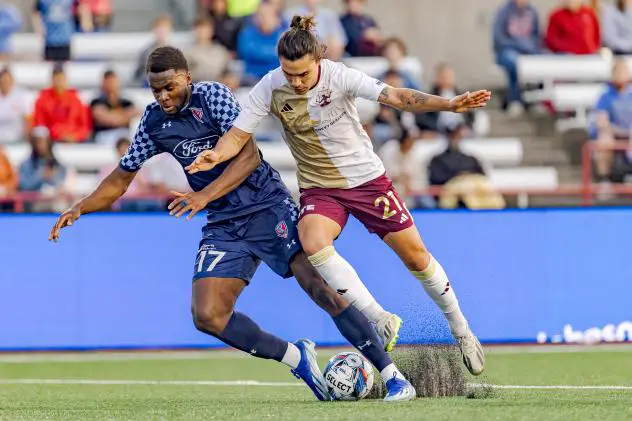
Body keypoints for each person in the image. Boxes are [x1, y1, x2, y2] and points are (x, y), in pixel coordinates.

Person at [49, 46, 416, 403]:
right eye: (155, 89)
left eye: (169, 86)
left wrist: (203, 196)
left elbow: (249, 156)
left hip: (266, 205)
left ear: (187, 78)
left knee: (319, 287)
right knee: (207, 315)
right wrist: (80, 207)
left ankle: (393, 376)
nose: (162, 96)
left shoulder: (213, 97)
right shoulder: (154, 122)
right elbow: (120, 178)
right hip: (224, 223)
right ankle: (296, 358)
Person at [187, 16, 491, 376]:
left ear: (318, 60)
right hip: (320, 188)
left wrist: (448, 104)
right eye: (289, 73)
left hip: (368, 182)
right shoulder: (270, 86)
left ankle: (461, 330)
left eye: (302, 74)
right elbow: (237, 135)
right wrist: (217, 155)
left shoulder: (340, 76)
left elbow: (396, 96)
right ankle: (379, 318)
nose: (295, 82)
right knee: (312, 241)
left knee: (417, 258)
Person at [492, 0, 542, 116]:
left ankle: (536, 98)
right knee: (514, 63)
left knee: (541, 61)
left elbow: (537, 36)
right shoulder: (503, 12)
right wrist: (520, 46)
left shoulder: (532, 11)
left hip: (528, 51)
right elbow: (499, 39)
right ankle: (515, 99)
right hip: (507, 50)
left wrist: (530, 48)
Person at [589, 58, 632, 190]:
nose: (620, 75)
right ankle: (605, 181)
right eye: (617, 71)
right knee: (604, 139)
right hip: (614, 134)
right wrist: (622, 133)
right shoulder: (605, 96)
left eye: (623, 71)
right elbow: (602, 122)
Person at [33, 62, 91, 143]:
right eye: (56, 78)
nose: (58, 81)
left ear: (65, 79)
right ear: (51, 79)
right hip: (51, 141)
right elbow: (39, 125)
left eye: (61, 78)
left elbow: (85, 126)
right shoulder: (43, 99)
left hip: (74, 140)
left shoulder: (76, 99)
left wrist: (74, 136)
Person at [237, 2, 287, 86]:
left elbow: (286, 54)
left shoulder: (283, 34)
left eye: (267, 15)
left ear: (276, 18)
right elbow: (246, 51)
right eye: (260, 15)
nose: (263, 19)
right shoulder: (247, 33)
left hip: (277, 77)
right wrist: (275, 51)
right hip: (252, 77)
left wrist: (263, 51)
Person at [90, 70, 139, 144]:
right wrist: (124, 116)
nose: (111, 85)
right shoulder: (97, 101)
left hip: (125, 135)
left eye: (113, 81)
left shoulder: (127, 102)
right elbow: (104, 118)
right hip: (104, 135)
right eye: (109, 82)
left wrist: (111, 115)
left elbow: (136, 113)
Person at [183, 17, 230, 83]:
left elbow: (228, 72)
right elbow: (183, 76)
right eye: (199, 28)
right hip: (198, 88)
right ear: (194, 30)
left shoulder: (220, 51)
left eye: (205, 29)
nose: (202, 32)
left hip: (220, 88)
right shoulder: (187, 52)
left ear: (211, 31)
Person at [0, 68, 32, 145]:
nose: (5, 83)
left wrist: (26, 135)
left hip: (17, 138)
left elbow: (27, 118)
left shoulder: (20, 95)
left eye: (7, 81)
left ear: (12, 81)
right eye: (3, 81)